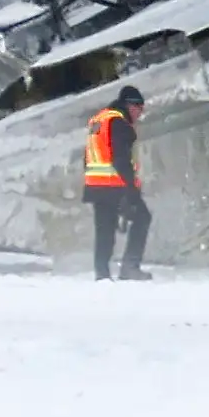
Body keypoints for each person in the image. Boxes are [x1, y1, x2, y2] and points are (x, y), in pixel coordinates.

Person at [83, 86, 150, 280]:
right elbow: (121, 159)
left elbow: (88, 156)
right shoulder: (119, 123)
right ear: (130, 105)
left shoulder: (99, 121)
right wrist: (132, 191)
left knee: (104, 230)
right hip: (115, 185)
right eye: (139, 109)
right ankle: (130, 266)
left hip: (96, 186)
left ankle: (102, 273)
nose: (140, 114)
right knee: (142, 217)